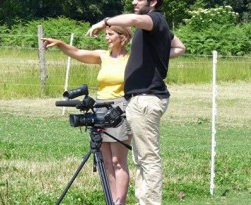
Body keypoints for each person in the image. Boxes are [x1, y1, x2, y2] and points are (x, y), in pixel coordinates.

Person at [87, 0, 186, 205]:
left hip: (145, 99)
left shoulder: (154, 20)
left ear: (153, 2)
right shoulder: (155, 27)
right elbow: (179, 47)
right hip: (141, 99)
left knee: (148, 158)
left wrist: (104, 22)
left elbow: (132, 20)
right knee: (142, 158)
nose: (133, 1)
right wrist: (155, 59)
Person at [42, 26, 134, 205]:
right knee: (106, 161)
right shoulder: (103, 56)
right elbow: (77, 52)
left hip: (120, 107)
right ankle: (111, 200)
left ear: (122, 37)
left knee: (117, 161)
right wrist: (60, 44)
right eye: (106, 34)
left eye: (110, 34)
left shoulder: (132, 58)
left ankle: (119, 202)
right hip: (100, 106)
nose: (106, 38)